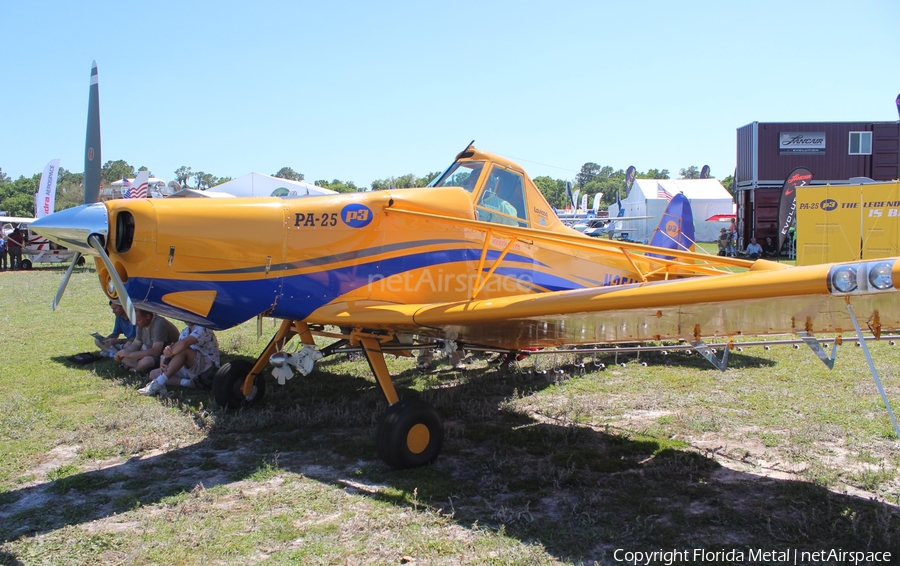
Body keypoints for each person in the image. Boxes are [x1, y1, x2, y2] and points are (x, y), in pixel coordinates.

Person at [139, 323, 220, 396]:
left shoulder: (203, 328)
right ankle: (188, 383)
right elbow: (175, 349)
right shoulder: (184, 331)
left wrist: (167, 354)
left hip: (206, 367)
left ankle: (159, 383)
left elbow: (183, 344)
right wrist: (165, 356)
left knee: (184, 350)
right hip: (188, 366)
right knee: (153, 374)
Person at [114, 308, 179, 374]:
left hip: (165, 357)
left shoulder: (159, 324)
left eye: (138, 320)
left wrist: (129, 354)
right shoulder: (141, 323)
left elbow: (156, 351)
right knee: (127, 349)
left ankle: (132, 368)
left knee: (146, 361)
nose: (135, 323)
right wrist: (123, 353)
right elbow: (136, 344)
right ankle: (135, 367)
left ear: (148, 316)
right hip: (148, 353)